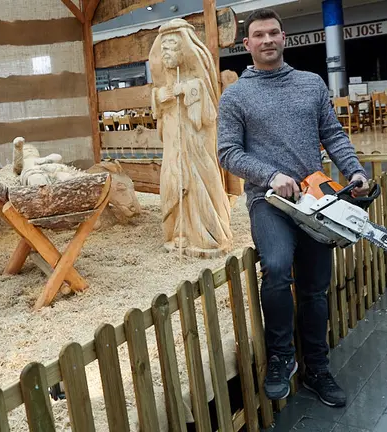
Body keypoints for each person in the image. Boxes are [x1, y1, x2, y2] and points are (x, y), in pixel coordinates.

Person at [217, 9, 369, 407]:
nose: (266, 40)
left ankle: (317, 366)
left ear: (284, 38)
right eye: (258, 35)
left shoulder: (310, 83)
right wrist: (269, 175)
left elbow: (332, 133)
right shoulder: (236, 95)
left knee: (316, 288)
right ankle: (282, 357)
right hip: (269, 201)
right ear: (246, 45)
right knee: (279, 266)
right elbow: (227, 152)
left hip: (317, 199)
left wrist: (353, 171)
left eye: (273, 33)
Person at [148, 18, 233, 258]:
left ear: (184, 48)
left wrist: (187, 90)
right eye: (163, 48)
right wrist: (161, 96)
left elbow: (207, 114)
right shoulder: (166, 77)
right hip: (174, 143)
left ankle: (206, 235)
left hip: (194, 145)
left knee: (197, 182)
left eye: (172, 47)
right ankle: (179, 232)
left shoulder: (198, 77)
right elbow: (158, 111)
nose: (167, 53)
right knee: (172, 181)